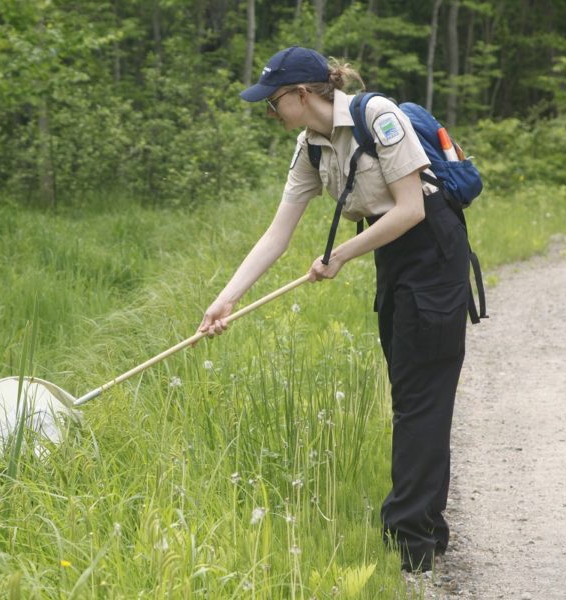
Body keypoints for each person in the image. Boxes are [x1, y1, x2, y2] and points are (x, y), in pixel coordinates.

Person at [197, 46, 471, 573]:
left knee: (420, 397)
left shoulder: (377, 117)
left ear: (303, 94)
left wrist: (340, 255)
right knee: (413, 393)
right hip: (391, 254)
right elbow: (278, 233)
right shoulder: (311, 146)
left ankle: (410, 541)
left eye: (273, 103)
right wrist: (227, 297)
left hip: (433, 250)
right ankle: (428, 529)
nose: (269, 113)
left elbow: (412, 208)